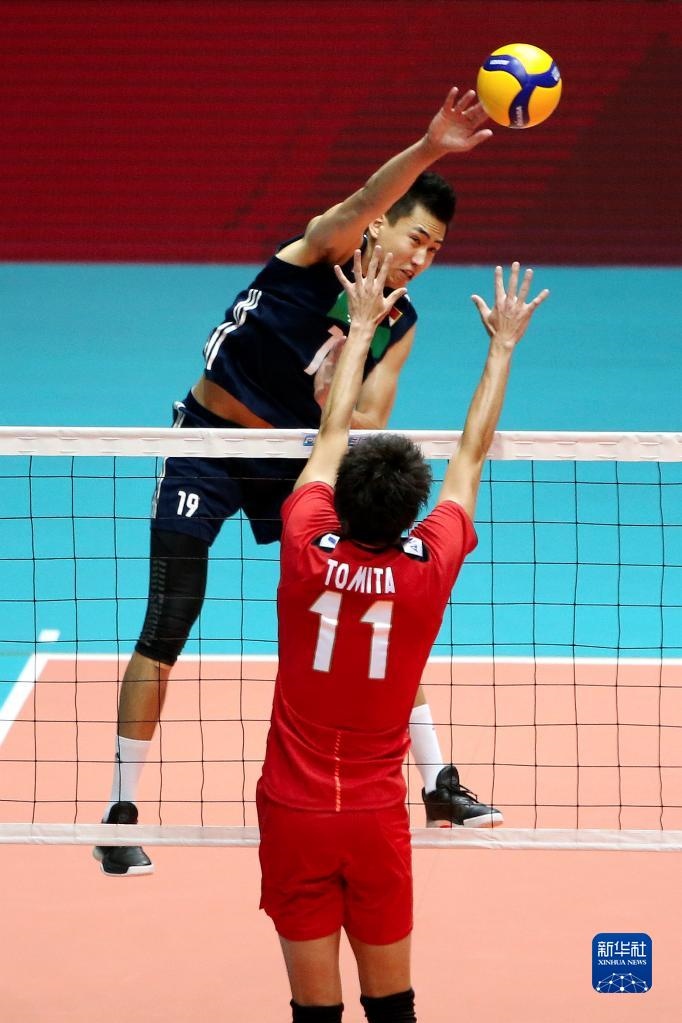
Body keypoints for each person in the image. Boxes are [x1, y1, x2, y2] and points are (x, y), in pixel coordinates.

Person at [95, 87, 500, 878]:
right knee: (168, 615)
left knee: (372, 598)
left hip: (298, 462)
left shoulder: (398, 321)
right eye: (416, 237)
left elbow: (368, 416)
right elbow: (358, 198)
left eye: (437, 249)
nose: (422, 258)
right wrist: (431, 146)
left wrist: (337, 379)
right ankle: (119, 812)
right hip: (208, 444)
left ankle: (438, 781)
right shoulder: (318, 251)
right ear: (382, 225)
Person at [257, 249, 549, 1023]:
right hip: (375, 820)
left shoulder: (304, 543)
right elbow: (470, 457)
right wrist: (502, 347)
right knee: (393, 1007)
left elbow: (329, 436)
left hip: (292, 813)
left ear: (341, 501)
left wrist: (359, 328)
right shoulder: (428, 567)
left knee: (312, 1011)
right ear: (410, 510)